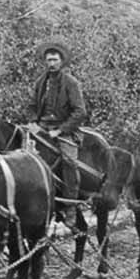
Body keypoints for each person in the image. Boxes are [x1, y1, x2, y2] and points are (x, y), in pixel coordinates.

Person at [29, 43, 87, 203]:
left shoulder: (71, 83)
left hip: (65, 130)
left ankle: (71, 206)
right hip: (41, 128)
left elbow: (80, 112)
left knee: (69, 162)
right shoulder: (40, 82)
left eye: (55, 60)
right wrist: (33, 122)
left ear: (61, 61)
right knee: (20, 153)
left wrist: (60, 130)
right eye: (49, 60)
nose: (51, 64)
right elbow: (32, 106)